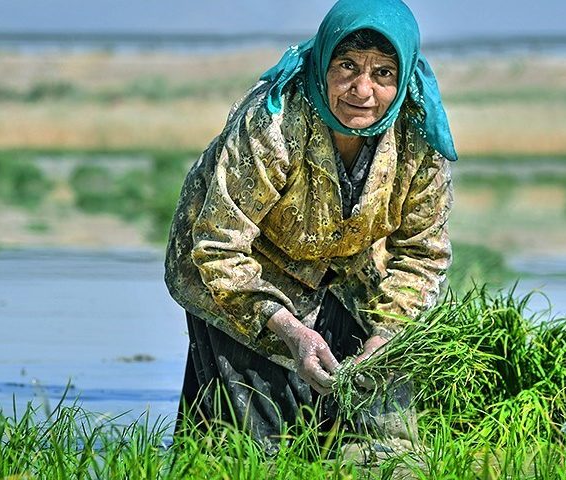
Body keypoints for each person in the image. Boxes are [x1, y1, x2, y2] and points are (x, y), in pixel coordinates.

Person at [164, 0, 457, 455]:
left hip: (343, 265)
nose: (362, 90)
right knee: (250, 440)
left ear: (401, 81)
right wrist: (293, 330)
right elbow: (219, 245)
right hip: (239, 267)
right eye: (347, 66)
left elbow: (422, 254)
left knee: (369, 422)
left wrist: (385, 335)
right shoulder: (276, 120)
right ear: (323, 64)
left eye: (383, 73)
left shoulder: (416, 138)